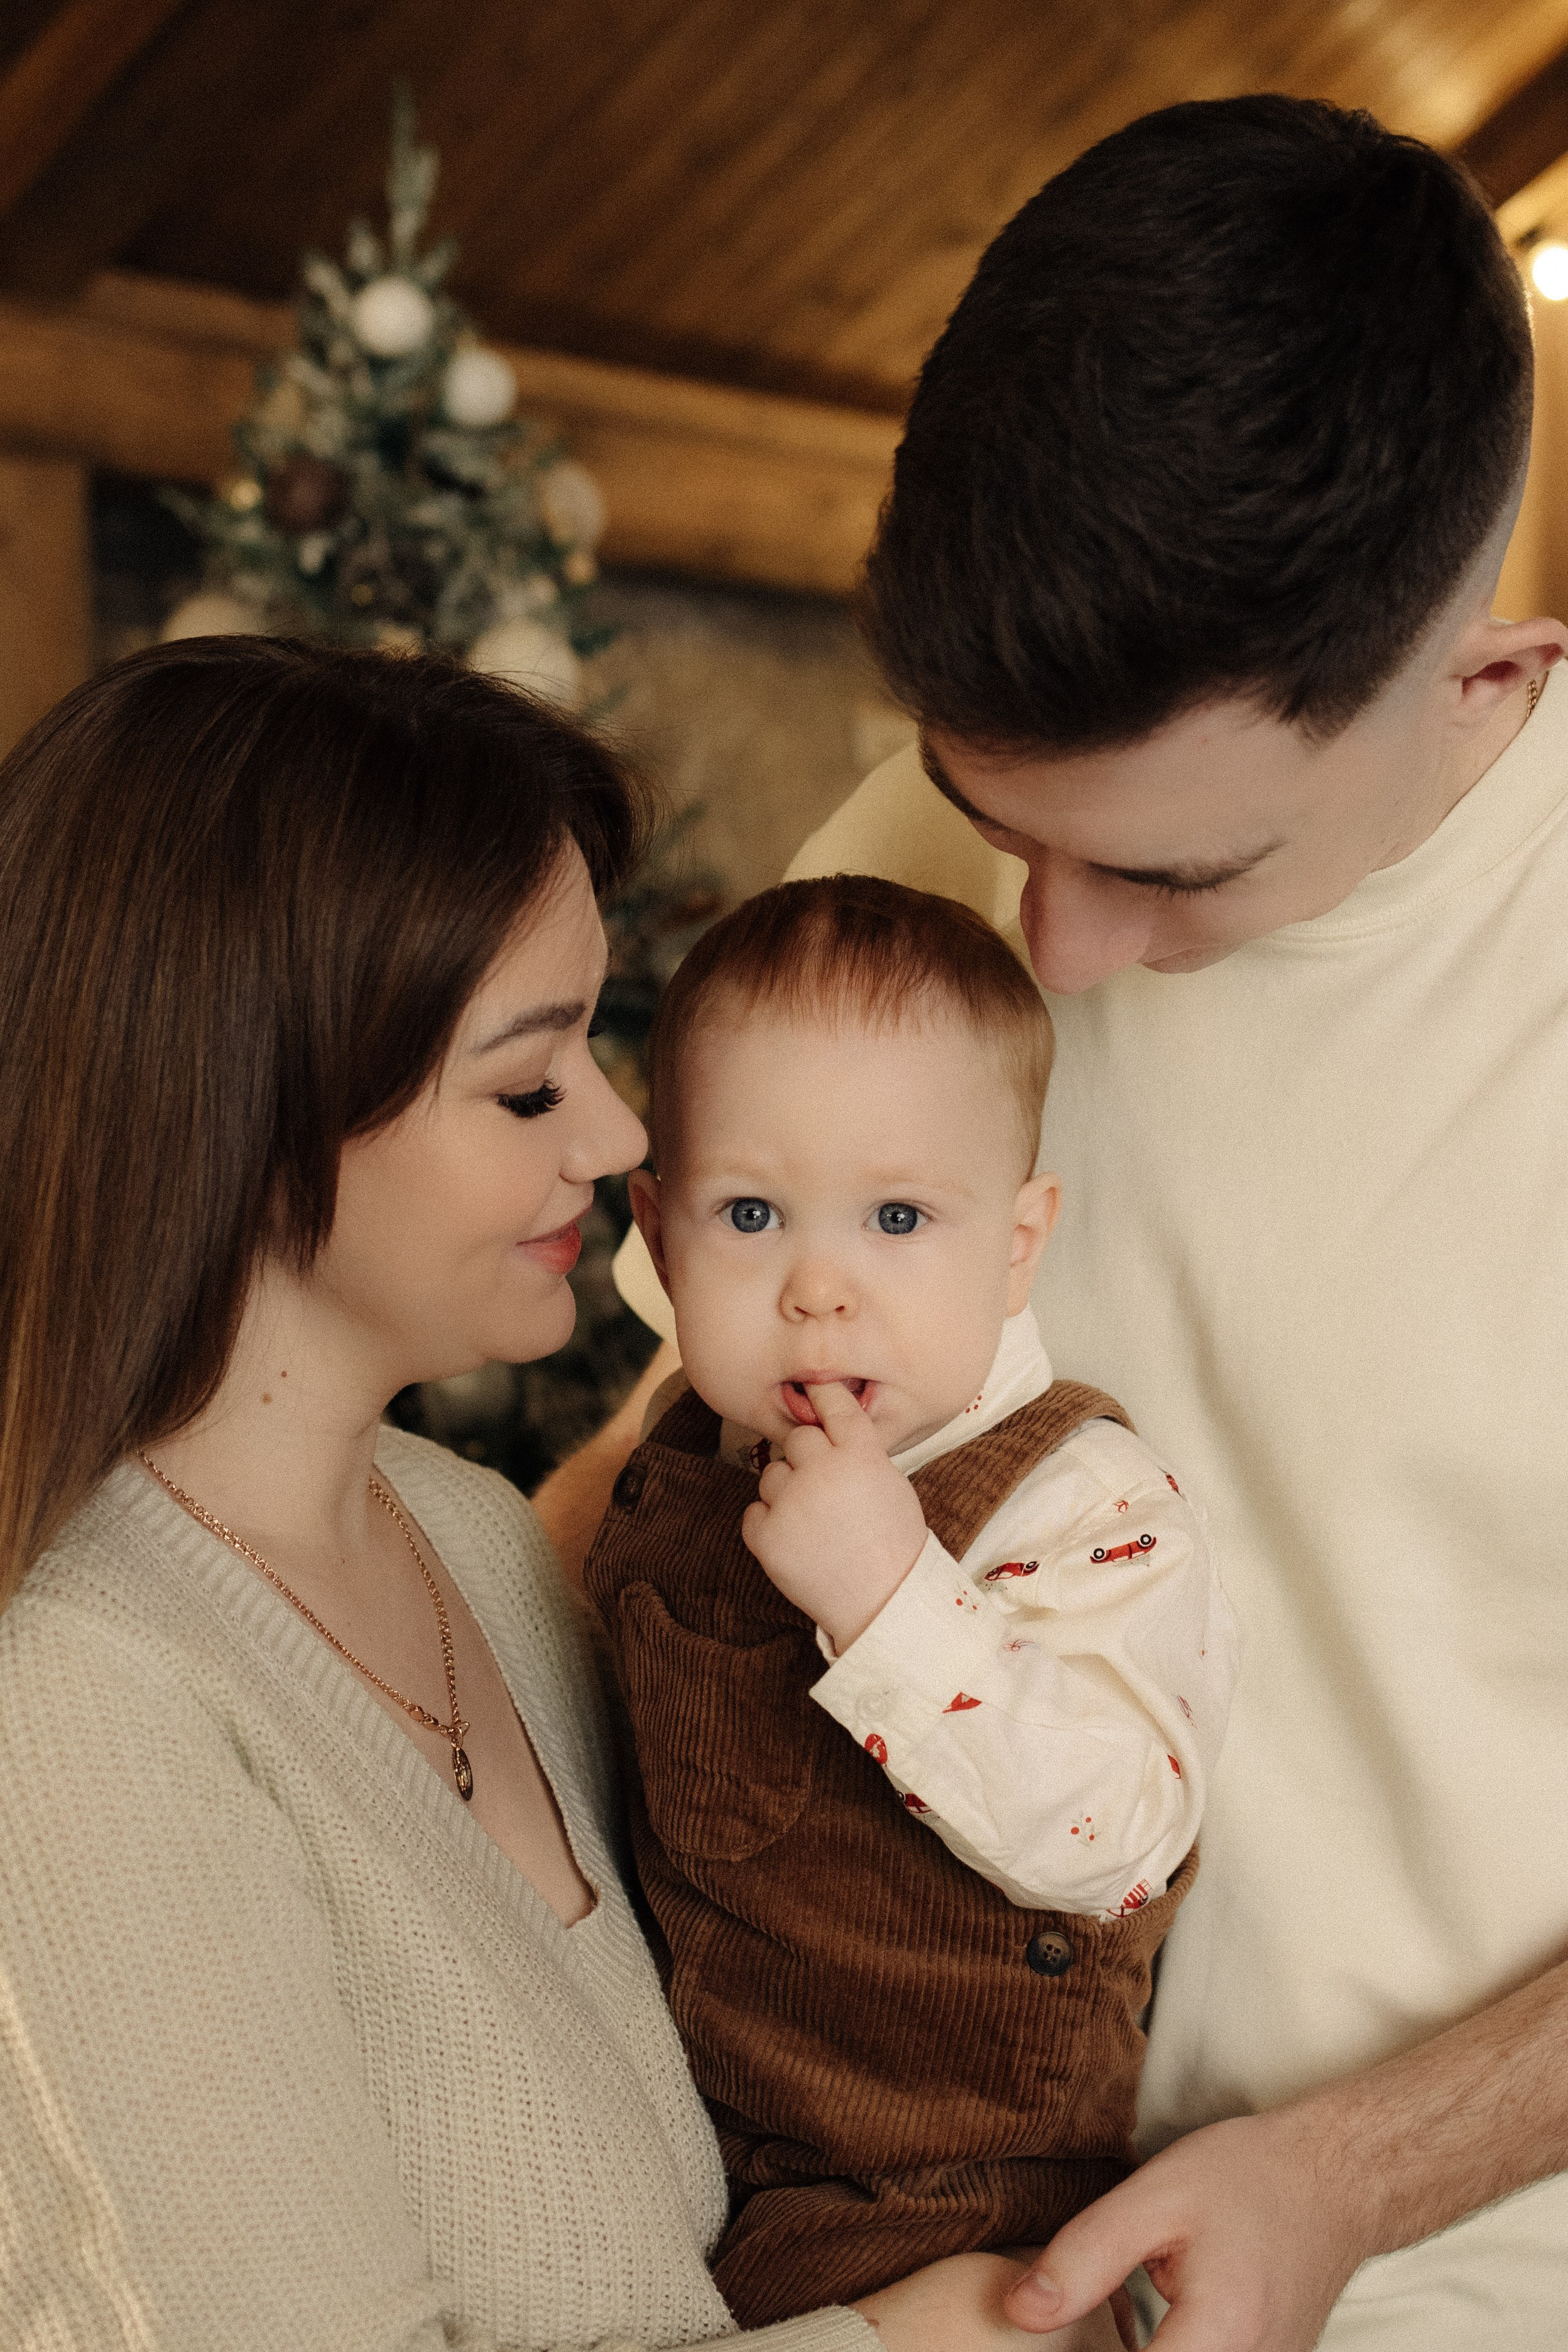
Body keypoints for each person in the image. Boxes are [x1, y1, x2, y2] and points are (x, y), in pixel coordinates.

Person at [595, 96, 1568, 2352]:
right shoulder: (921, 882)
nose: (1056, 944)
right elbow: (659, 1457)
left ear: (1478, 669)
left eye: (1175, 870)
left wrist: (1347, 2173)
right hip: (875, 2248)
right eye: (985, 814)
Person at [0, 637, 1109, 2352]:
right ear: (251, 1109)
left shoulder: (473, 1535)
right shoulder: (74, 1710)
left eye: (601, 1046)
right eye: (528, 1081)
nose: (611, 1139)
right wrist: (905, 2344)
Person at [585, 875, 1237, 2331]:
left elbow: (1119, 1834)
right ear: (660, 1233)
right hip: (715, 2153)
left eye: (898, 1217)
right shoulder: (684, 1462)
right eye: (750, 1214)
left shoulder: (1081, 1503)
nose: (820, 1288)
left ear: (1015, 1244)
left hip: (966, 2189)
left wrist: (892, 1598)